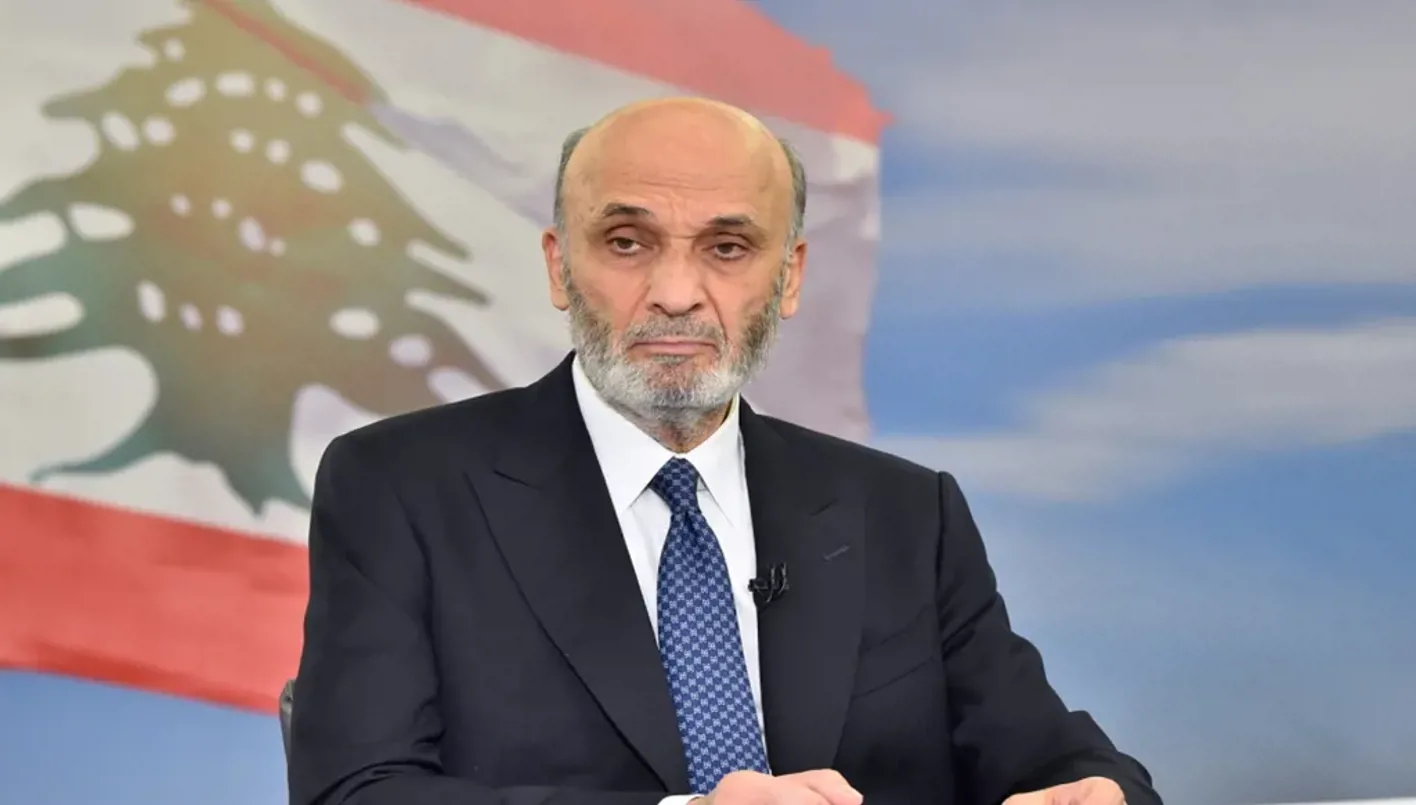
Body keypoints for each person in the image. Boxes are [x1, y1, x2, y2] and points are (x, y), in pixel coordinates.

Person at [289, 97, 1161, 805]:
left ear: (790, 277)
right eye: (626, 242)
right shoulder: (402, 488)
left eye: (728, 247)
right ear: (558, 266)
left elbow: (1056, 758)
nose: (675, 292)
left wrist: (1093, 791)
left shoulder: (904, 514)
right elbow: (357, 790)